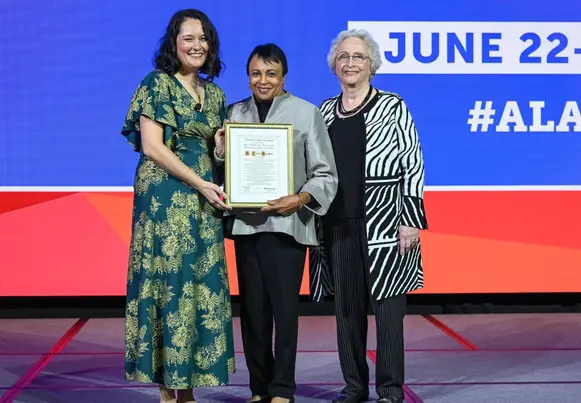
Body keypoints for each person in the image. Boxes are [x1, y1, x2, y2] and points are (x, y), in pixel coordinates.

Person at [121, 9, 235, 403]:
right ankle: (168, 392)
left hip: (204, 202)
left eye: (203, 38)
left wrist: (220, 151)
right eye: (188, 38)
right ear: (174, 43)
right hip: (166, 201)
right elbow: (152, 147)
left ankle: (186, 388)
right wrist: (200, 182)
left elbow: (216, 154)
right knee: (169, 286)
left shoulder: (216, 94)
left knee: (198, 288)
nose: (196, 45)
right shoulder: (157, 84)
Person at [309, 29, 428, 403]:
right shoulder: (324, 111)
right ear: (334, 65)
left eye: (358, 57)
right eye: (343, 57)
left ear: (371, 64)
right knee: (346, 311)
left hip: (386, 224)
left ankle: (390, 390)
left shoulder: (393, 107)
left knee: (389, 312)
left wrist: (410, 218)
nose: (350, 63)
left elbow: (413, 162)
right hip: (336, 224)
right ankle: (354, 387)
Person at [214, 43, 338, 403]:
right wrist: (220, 150)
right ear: (248, 75)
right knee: (253, 312)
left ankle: (282, 388)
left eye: (271, 74)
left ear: (284, 76)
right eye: (256, 73)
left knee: (284, 312)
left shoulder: (306, 113)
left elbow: (325, 174)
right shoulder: (234, 113)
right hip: (247, 224)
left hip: (288, 225)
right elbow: (219, 171)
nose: (263, 80)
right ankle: (258, 387)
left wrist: (298, 199)